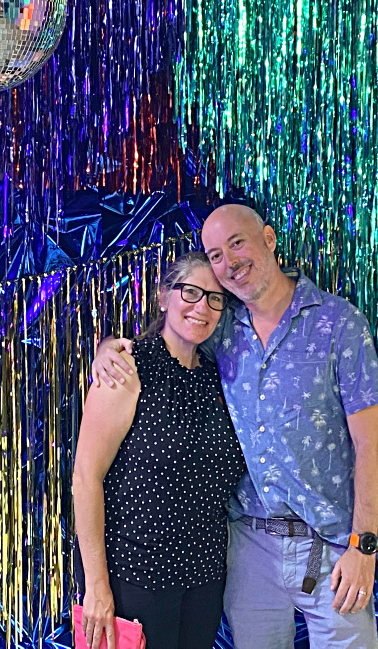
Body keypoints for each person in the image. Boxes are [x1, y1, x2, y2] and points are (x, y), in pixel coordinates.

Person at [92, 205, 378, 649]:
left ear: (268, 239)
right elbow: (174, 330)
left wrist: (363, 545)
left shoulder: (338, 323)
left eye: (237, 243)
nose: (229, 262)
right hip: (250, 546)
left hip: (328, 547)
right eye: (215, 254)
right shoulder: (220, 325)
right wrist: (108, 349)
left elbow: (369, 441)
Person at [73, 251, 246, 649]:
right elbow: (86, 479)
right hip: (136, 576)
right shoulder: (125, 368)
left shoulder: (216, 379)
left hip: (203, 577)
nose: (202, 306)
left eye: (215, 298)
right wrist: (97, 585)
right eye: (191, 292)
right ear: (164, 296)